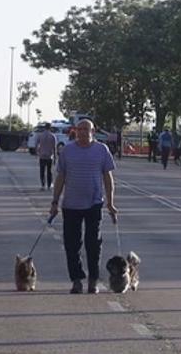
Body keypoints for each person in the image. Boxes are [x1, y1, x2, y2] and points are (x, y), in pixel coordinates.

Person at [49, 119, 117, 294]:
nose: (82, 132)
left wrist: (110, 202)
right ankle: (77, 279)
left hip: (94, 203)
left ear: (93, 131)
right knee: (72, 245)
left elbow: (108, 178)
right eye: (79, 129)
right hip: (71, 205)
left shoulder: (102, 150)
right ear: (75, 131)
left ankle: (93, 279)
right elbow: (60, 178)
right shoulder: (67, 151)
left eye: (86, 129)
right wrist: (55, 202)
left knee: (93, 244)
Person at [37, 123, 58, 191]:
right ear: (50, 128)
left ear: (45, 127)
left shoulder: (40, 135)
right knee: (49, 171)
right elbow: (54, 148)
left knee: (42, 171)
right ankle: (49, 185)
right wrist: (55, 157)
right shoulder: (53, 136)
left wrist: (38, 153)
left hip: (42, 156)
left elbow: (37, 145)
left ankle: (43, 185)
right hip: (49, 156)